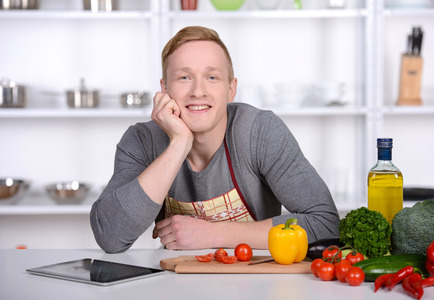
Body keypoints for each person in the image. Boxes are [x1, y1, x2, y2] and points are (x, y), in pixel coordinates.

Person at [90, 26, 340, 254]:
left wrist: (212, 233)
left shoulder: (259, 132)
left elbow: (326, 225)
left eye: (212, 77)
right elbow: (110, 236)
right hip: (172, 283)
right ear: (164, 89)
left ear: (231, 89)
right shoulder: (142, 140)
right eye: (184, 77)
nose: (198, 91)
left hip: (254, 282)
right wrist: (178, 143)